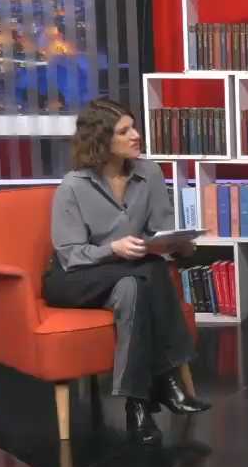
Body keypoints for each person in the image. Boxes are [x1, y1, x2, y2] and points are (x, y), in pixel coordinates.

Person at [43, 98, 211, 447]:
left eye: (134, 127)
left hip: (129, 273)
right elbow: (70, 254)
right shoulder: (73, 186)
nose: (136, 135)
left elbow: (160, 229)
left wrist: (178, 244)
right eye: (125, 131)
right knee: (148, 270)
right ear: (102, 140)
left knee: (135, 285)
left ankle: (138, 408)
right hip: (75, 278)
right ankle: (168, 381)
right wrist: (113, 249)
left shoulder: (149, 173)